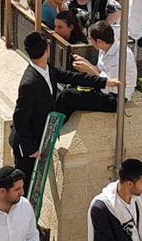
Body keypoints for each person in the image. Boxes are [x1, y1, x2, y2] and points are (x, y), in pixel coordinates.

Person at [11, 30, 107, 189]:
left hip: (39, 138)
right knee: (25, 188)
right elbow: (20, 119)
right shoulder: (29, 83)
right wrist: (31, 149)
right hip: (27, 147)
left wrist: (104, 82)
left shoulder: (47, 69)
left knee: (35, 188)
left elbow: (72, 77)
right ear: (47, 51)